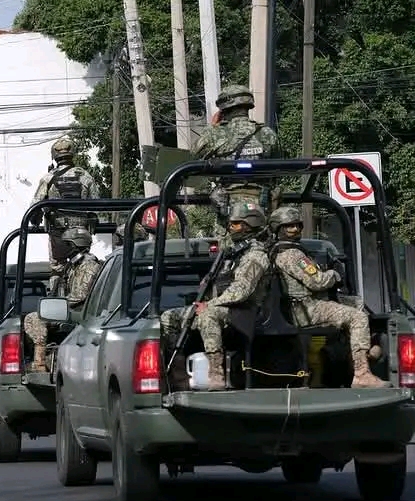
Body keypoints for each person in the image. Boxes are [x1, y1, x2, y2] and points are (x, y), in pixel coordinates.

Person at [267, 206, 389, 388]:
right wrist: (335, 274)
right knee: (358, 317)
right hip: (306, 309)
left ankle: (356, 355)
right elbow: (318, 282)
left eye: (297, 225)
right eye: (288, 226)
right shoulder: (292, 254)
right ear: (278, 229)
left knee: (356, 302)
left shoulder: (281, 251)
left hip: (302, 305)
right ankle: (361, 373)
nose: (295, 229)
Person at [161, 203, 270, 391]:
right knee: (168, 318)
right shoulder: (234, 253)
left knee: (208, 314)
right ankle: (178, 378)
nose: (231, 227)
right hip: (228, 310)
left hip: (246, 312)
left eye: (236, 224)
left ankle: (216, 374)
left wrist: (210, 304)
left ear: (249, 225)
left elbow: (240, 292)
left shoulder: (255, 256)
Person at [192, 85, 281, 237]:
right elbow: (279, 166)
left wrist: (213, 126)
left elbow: (194, 155)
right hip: (262, 206)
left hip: (228, 209)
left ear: (223, 108)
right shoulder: (266, 133)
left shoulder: (216, 133)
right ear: (247, 105)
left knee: (227, 253)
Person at [23, 228, 102, 372]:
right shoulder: (74, 265)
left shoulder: (89, 266)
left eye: (66, 244)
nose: (62, 248)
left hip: (82, 312)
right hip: (74, 309)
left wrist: (59, 305)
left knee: (34, 318)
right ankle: (48, 356)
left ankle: (39, 363)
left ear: (75, 245)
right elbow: (57, 270)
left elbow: (80, 295)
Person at [29, 137, 101, 292]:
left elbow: (35, 206)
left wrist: (35, 222)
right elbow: (97, 204)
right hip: (82, 234)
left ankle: (55, 299)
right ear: (72, 154)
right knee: (84, 265)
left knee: (57, 269)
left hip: (58, 234)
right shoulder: (85, 176)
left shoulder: (48, 178)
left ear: (54, 157)